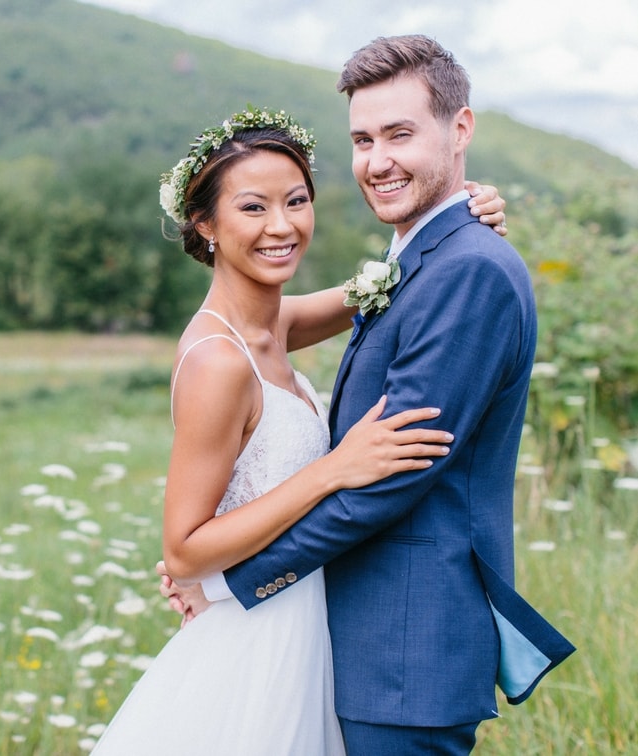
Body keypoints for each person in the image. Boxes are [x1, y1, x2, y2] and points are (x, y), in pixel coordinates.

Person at [160, 37, 575, 755]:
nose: (378, 159)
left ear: (460, 129)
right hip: (345, 643)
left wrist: (230, 583)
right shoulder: (411, 265)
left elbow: (388, 480)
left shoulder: (464, 269)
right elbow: (338, 310)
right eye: (362, 139)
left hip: (401, 652)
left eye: (399, 134)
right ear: (205, 225)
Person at [91, 106, 508, 755]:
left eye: (296, 201)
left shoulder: (275, 324)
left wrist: (462, 211)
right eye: (253, 208)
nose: (281, 226)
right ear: (203, 224)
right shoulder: (218, 360)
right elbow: (183, 552)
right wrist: (333, 469)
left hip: (308, 623)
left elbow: (396, 279)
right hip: (254, 647)